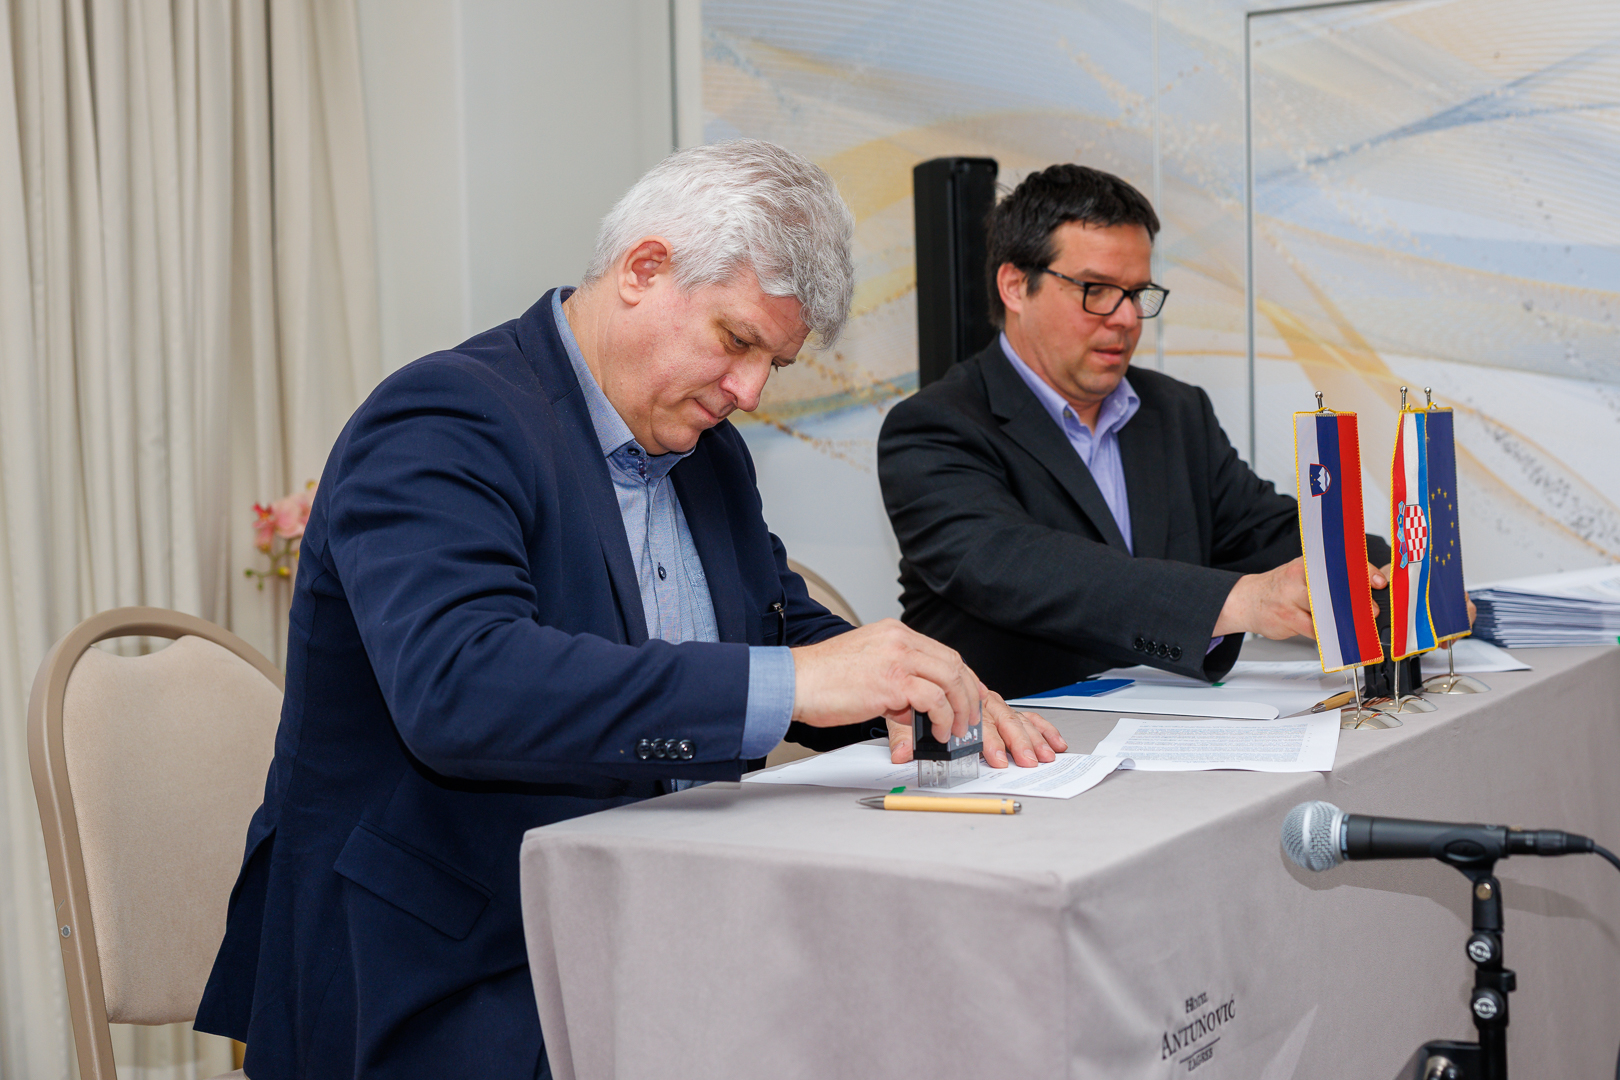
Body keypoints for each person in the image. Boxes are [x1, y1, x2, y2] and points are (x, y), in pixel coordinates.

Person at [195, 141, 1064, 1080]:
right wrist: (802, 681)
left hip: (654, 926)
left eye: (773, 364)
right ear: (644, 270)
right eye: (737, 341)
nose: (749, 393)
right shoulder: (443, 418)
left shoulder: (706, 453)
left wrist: (925, 687)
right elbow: (463, 685)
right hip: (445, 969)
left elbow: (773, 625)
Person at [877, 163, 1391, 699]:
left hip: (1168, 726)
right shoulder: (933, 428)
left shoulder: (1174, 411)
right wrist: (1243, 601)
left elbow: (1267, 530)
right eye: (1097, 290)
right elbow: (1030, 571)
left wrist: (1387, 571)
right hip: (1016, 734)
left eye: (1137, 292)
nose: (1125, 318)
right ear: (1015, 286)